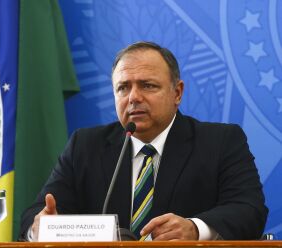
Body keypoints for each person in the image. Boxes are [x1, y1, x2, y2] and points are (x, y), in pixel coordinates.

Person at [19, 41, 268, 241]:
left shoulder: (220, 141)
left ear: (177, 92)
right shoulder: (85, 145)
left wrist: (194, 229)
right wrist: (38, 227)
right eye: (123, 88)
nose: (133, 97)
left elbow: (249, 209)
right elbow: (37, 212)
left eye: (147, 86)